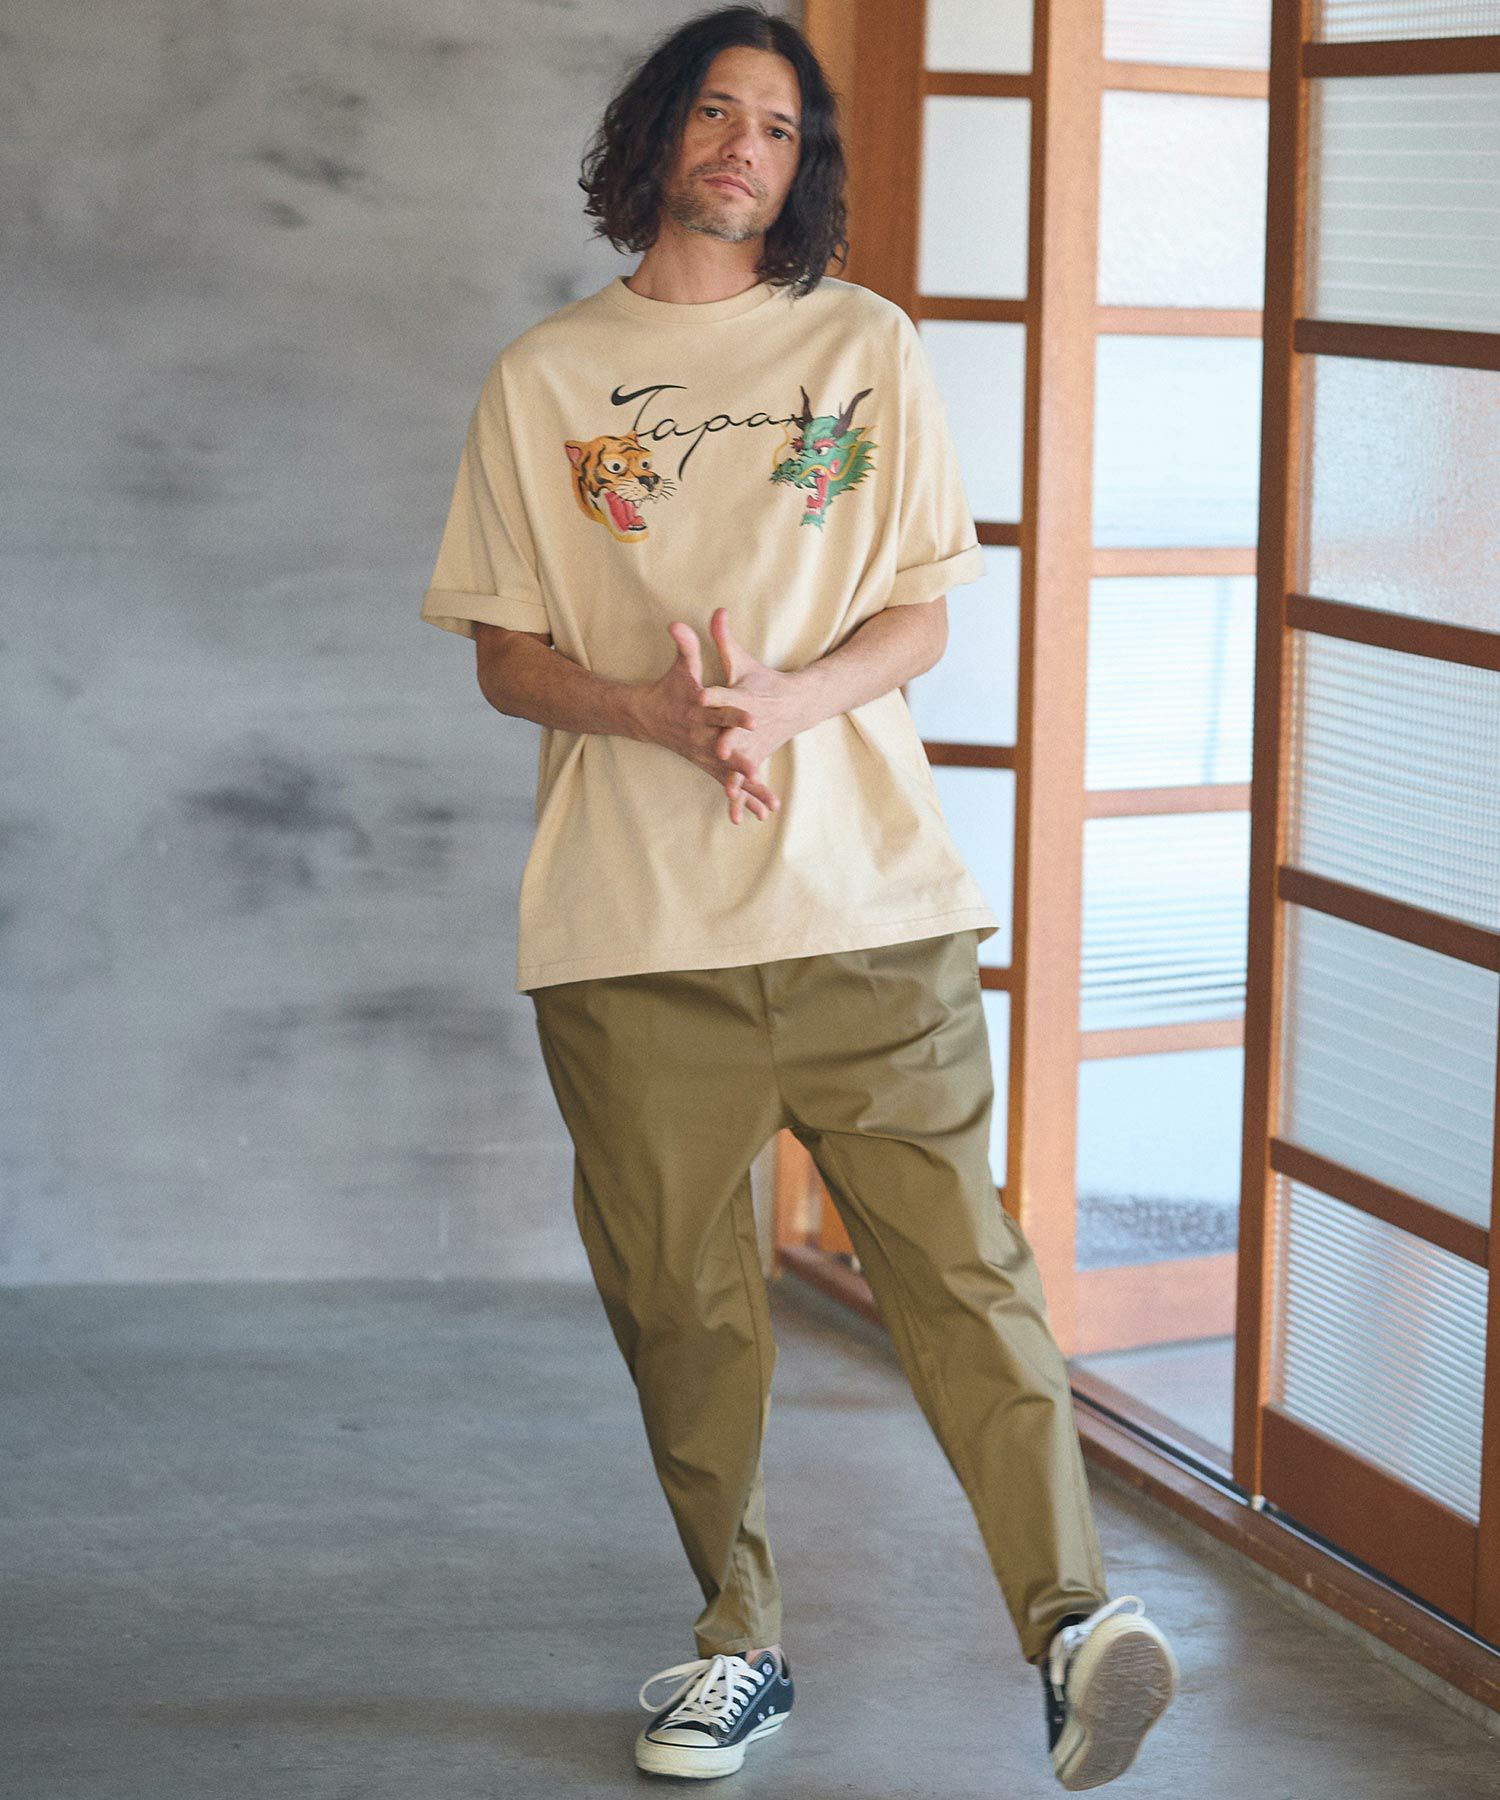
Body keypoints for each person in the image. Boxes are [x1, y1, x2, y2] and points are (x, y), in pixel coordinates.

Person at [419, 4, 1178, 1787]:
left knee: (965, 1273)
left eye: (777, 125)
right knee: (681, 1308)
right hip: (633, 934)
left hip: (869, 910)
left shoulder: (864, 344)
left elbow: (917, 614)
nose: (743, 146)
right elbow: (505, 656)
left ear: (801, 165)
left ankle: (1074, 1628)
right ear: (657, 135)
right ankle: (735, 1644)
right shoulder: (546, 377)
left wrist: (780, 703)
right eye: (716, 111)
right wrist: (658, 717)